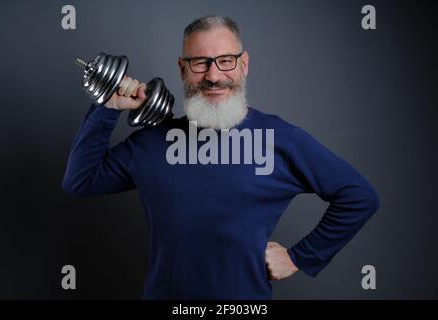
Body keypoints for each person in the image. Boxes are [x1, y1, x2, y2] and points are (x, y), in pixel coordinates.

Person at [62, 15, 380, 299]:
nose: (213, 76)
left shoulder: (280, 139)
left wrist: (300, 257)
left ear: (244, 64)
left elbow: (358, 196)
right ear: (183, 68)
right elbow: (80, 181)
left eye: (225, 60)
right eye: (200, 62)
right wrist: (108, 106)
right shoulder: (151, 143)